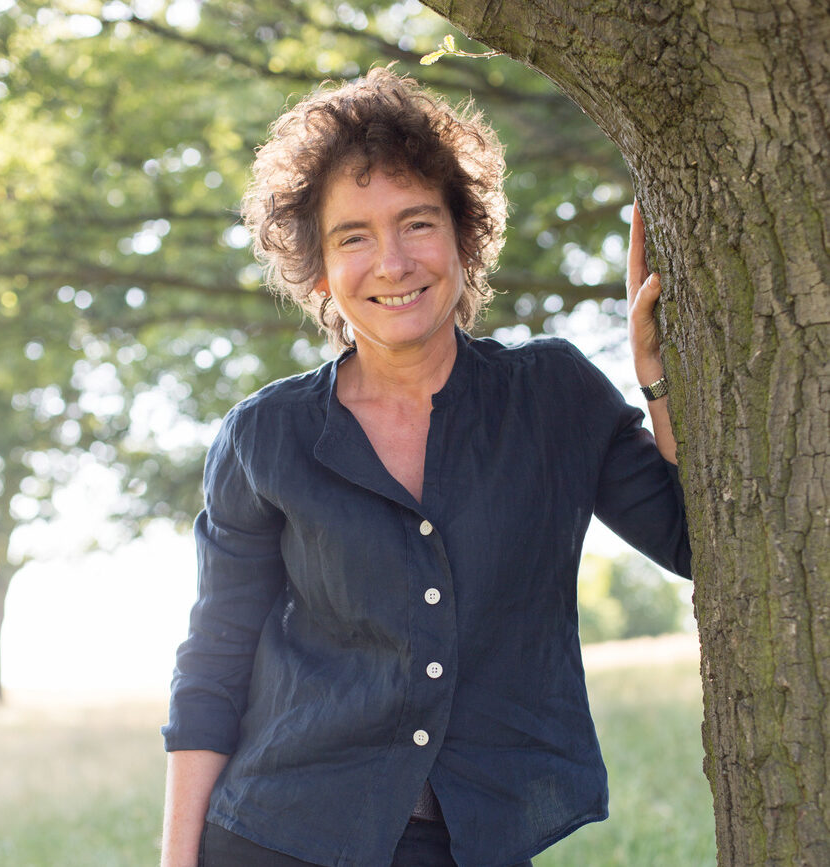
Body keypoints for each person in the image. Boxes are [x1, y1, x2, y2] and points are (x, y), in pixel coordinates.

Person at [160, 67, 690, 867]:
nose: (392, 262)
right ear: (318, 268)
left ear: (463, 236)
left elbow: (702, 543)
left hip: (475, 839)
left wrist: (658, 382)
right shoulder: (264, 436)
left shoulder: (552, 395)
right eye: (353, 237)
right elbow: (211, 668)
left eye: (416, 223)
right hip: (275, 834)